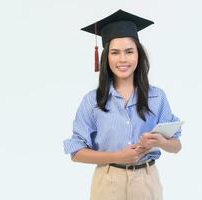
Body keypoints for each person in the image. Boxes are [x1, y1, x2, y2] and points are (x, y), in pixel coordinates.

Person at [63, 9, 182, 200]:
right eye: (115, 53)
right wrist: (118, 156)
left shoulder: (157, 96)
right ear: (106, 57)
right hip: (108, 181)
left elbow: (176, 146)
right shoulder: (92, 100)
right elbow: (76, 152)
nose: (123, 59)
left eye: (129, 51)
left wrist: (160, 142)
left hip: (146, 180)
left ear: (138, 55)